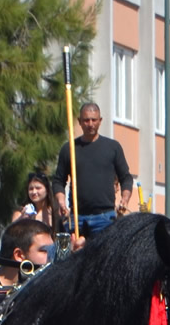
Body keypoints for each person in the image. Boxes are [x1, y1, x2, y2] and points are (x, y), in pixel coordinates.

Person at [50, 102, 133, 239]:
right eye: (86, 120)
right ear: (80, 122)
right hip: (77, 217)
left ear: (100, 121)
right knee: (69, 252)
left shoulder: (113, 147)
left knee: (105, 252)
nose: (90, 124)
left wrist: (125, 199)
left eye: (94, 120)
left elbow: (126, 178)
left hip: (105, 218)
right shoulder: (69, 148)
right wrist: (61, 201)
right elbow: (58, 180)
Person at [0, 218, 54, 289]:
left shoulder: (41, 286)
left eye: (52, 249)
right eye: (44, 250)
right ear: (19, 255)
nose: (52, 255)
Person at [18, 171, 69, 238]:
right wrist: (22, 221)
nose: (34, 192)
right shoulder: (23, 212)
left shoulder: (56, 212)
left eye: (38, 188)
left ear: (47, 190)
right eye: (31, 189)